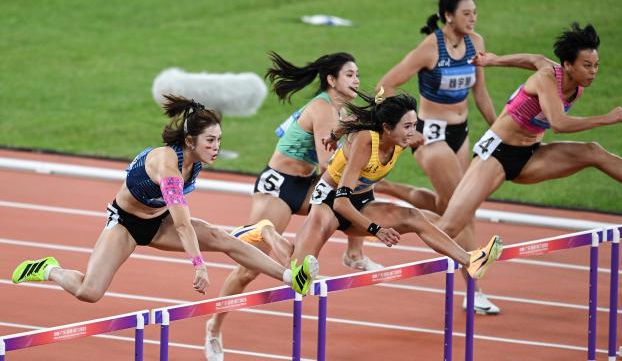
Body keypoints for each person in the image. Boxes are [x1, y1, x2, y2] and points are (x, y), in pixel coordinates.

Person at [11, 94, 318, 304]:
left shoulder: (193, 161)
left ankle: (292, 278)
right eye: (210, 140)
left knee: (223, 239)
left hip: (160, 222)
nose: (215, 147)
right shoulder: (167, 167)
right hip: (127, 224)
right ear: (189, 141)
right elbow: (183, 225)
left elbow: (181, 221)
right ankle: (50, 269)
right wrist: (198, 265)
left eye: (219, 140)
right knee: (89, 292)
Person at [204, 52, 382, 361]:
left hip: (306, 182)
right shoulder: (323, 109)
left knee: (356, 189)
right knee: (248, 269)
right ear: (332, 80)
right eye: (350, 74)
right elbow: (329, 162)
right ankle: (213, 328)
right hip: (279, 187)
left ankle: (354, 253)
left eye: (357, 74)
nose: (357, 80)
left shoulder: (343, 108)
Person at [435, 22, 622, 282]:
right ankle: (386, 232)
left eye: (596, 65)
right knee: (450, 226)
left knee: (592, 151)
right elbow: (559, 124)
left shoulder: (571, 82)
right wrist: (605, 118)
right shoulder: (547, 78)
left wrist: (494, 60)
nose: (593, 72)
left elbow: (531, 58)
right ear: (567, 65)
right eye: (587, 65)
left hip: (531, 155)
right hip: (496, 153)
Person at [368, 0, 503, 314]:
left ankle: (385, 188)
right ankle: (474, 288)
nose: (473, 18)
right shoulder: (431, 48)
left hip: (461, 132)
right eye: (466, 13)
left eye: (475, 13)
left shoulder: (476, 43)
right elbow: (386, 86)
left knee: (448, 206)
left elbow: (480, 93)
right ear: (448, 16)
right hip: (431, 136)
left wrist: (502, 130)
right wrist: (405, 127)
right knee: (464, 204)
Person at [289, 88, 502, 291]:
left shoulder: (399, 141)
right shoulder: (365, 141)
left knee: (413, 216)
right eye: (407, 126)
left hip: (362, 201)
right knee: (299, 277)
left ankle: (470, 260)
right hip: (329, 201)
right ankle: (266, 232)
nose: (413, 132)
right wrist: (376, 230)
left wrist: (334, 135)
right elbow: (340, 203)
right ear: (387, 128)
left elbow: (355, 119)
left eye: (414, 125)